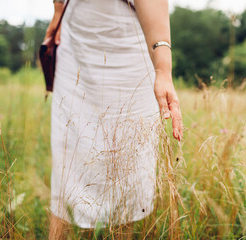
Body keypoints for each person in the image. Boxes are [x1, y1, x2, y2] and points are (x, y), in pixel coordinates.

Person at [44, 0, 183, 238]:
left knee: (125, 160)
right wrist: (58, 10)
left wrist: (163, 69)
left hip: (127, 41)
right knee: (67, 155)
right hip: (74, 38)